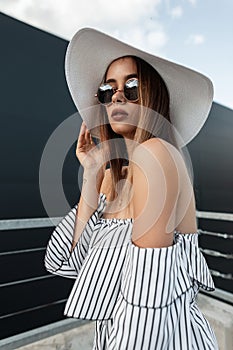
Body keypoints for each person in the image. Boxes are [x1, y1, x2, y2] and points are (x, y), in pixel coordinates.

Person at [45, 28, 219, 349]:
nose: (118, 96)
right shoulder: (117, 174)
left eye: (132, 86)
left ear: (154, 96)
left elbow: (149, 300)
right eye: (107, 89)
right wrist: (91, 177)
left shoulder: (157, 154)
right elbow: (64, 262)